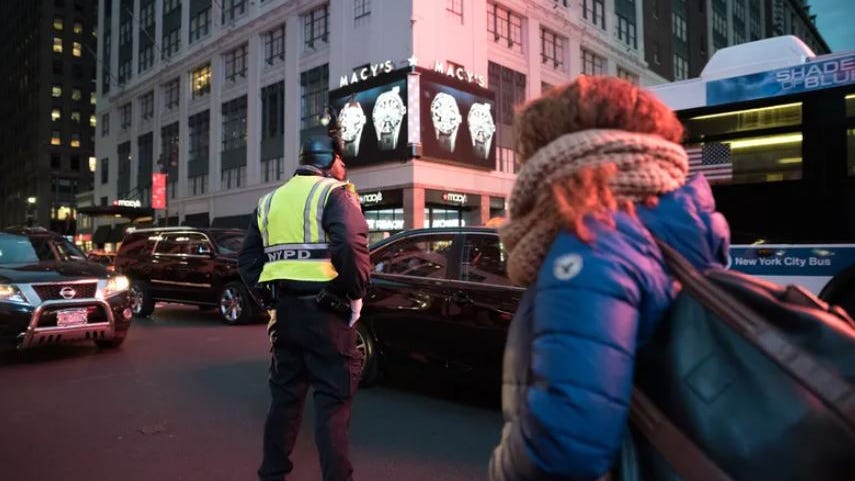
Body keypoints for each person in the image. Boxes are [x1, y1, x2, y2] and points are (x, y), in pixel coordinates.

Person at [488, 75, 731, 480]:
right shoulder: (661, 229)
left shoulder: (592, 245)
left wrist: (502, 471)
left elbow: (564, 448)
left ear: (559, 149)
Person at [239, 135, 371, 481]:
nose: (345, 170)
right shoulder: (334, 194)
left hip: (286, 317)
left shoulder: (269, 202)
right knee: (333, 405)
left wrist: (270, 300)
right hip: (327, 317)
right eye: (343, 162)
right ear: (329, 161)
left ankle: (272, 474)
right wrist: (352, 293)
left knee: (284, 400)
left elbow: (248, 260)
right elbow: (349, 246)